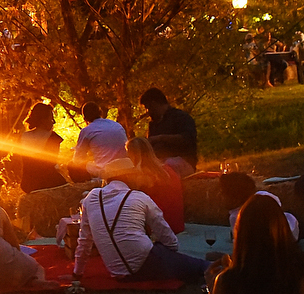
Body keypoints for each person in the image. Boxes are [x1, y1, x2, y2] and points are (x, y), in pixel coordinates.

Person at [74, 159, 206, 283]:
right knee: (202, 266)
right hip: (146, 262)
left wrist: (77, 273)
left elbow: (84, 241)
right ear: (129, 176)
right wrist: (170, 251)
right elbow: (166, 235)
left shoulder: (90, 198)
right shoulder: (139, 197)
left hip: (116, 271)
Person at [125, 136, 184, 233]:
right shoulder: (167, 170)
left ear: (133, 155)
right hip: (176, 224)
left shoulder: (143, 175)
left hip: (159, 227)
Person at [219, 171, 299, 241]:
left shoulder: (238, 217)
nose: (219, 195)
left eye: (223, 193)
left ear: (234, 198)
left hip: (287, 233)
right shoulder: (263, 196)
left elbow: (244, 248)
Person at [139, 88, 198, 177]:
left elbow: (188, 139)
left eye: (147, 107)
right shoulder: (154, 124)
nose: (147, 111)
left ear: (154, 104)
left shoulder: (181, 117)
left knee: (167, 166)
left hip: (184, 161)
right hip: (161, 162)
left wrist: (160, 138)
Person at [12, 102, 67, 193]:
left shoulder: (22, 137)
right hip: (48, 182)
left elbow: (18, 162)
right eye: (51, 118)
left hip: (28, 184)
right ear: (43, 120)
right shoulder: (53, 138)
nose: (54, 122)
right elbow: (53, 162)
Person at [69, 101, 128, 180]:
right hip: (125, 167)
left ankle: (86, 184)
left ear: (84, 118)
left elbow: (78, 159)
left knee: (72, 164)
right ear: (100, 112)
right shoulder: (116, 125)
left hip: (105, 170)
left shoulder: (87, 130)